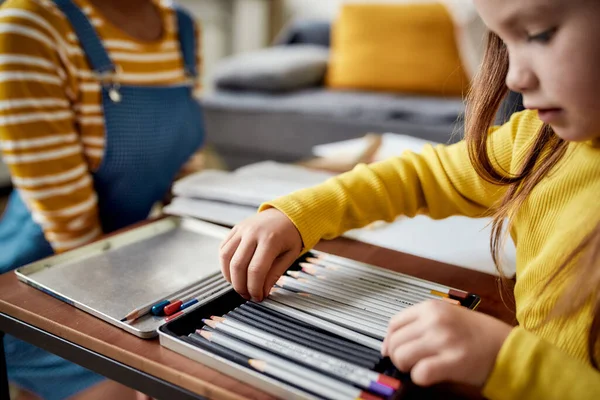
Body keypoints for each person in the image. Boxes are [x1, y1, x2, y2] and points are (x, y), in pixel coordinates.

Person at [219, 0, 600, 398]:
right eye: (503, 43)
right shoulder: (538, 140)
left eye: (539, 34)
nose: (514, 79)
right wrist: (300, 214)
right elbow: (421, 177)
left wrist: (509, 361)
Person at [0, 0, 204, 398]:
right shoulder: (32, 24)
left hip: (138, 261)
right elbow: (70, 228)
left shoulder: (183, 27)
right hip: (41, 289)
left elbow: (184, 177)